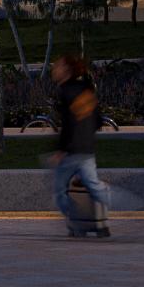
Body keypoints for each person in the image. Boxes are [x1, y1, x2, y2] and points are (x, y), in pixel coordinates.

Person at [51, 55, 111, 238]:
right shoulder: (86, 90)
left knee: (59, 191)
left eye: (58, 66)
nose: (54, 69)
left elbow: (68, 124)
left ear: (67, 71)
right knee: (94, 186)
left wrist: (62, 149)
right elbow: (97, 120)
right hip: (87, 149)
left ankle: (75, 220)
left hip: (72, 151)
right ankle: (117, 206)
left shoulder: (66, 91)